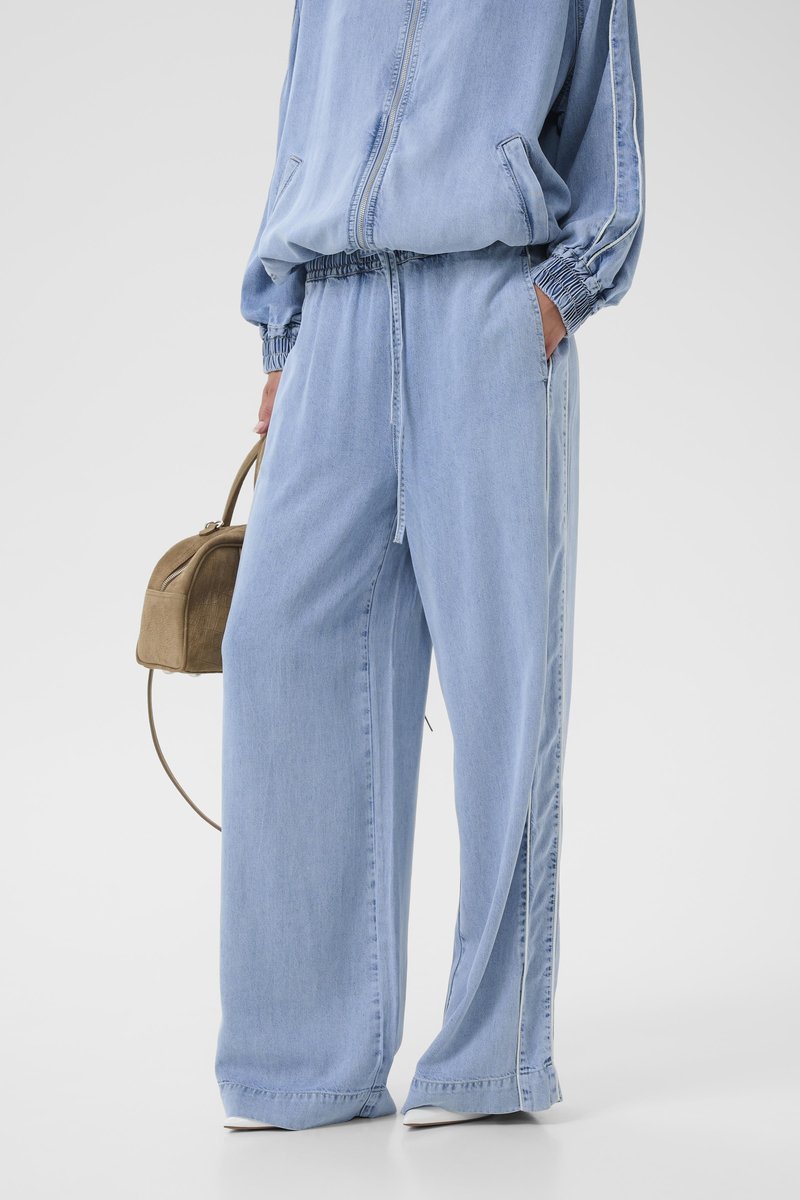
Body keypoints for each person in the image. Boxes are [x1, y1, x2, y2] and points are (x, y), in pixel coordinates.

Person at [215, 0, 645, 1132]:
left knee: (504, 691)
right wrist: (284, 334)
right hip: (334, 312)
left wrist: (553, 298)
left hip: (485, 305)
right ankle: (301, 1061)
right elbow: (301, 112)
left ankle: (487, 1060)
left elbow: (607, 129)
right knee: (277, 654)